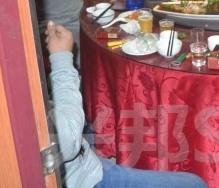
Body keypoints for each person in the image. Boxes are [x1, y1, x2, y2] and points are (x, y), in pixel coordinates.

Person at [45, 21, 208, 188]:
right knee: (194, 185)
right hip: (82, 178)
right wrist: (61, 59)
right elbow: (68, 142)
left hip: (84, 164)